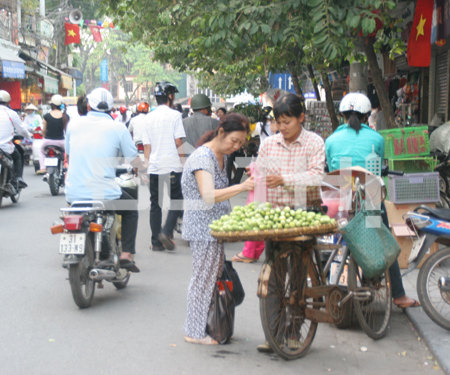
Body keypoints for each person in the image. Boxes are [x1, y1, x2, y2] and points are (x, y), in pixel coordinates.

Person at [325, 92, 420, 309]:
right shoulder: (377, 139)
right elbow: (376, 170)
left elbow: (333, 170)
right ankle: (398, 294)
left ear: (341, 115)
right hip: (369, 200)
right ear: (368, 114)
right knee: (385, 242)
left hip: (339, 203)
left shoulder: (330, 140)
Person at [253, 93, 325, 353]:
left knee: (297, 276)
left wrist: (284, 179)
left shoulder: (314, 142)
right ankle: (273, 333)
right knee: (273, 277)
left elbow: (317, 176)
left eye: (287, 122)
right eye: (278, 122)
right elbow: (259, 176)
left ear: (301, 118)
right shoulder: (269, 144)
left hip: (304, 213)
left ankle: (293, 332)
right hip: (275, 216)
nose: (281, 128)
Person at [182, 113, 254, 345]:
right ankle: (193, 333)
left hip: (214, 230)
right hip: (203, 230)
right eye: (234, 141)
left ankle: (206, 326)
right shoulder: (203, 157)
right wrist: (242, 186)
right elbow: (209, 195)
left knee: (211, 279)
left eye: (241, 143)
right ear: (221, 133)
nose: (236, 146)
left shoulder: (219, 155)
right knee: (202, 280)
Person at [65, 87, 146, 272]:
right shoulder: (118, 127)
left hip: (73, 194)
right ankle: (126, 255)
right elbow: (134, 159)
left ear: (87, 105)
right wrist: (142, 172)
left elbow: (69, 154)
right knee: (131, 208)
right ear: (112, 109)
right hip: (104, 193)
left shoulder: (73, 125)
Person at [143, 81, 185, 251]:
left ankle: (156, 242)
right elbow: (178, 141)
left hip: (155, 167)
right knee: (177, 200)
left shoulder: (148, 117)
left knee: (155, 203)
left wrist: (147, 167)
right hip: (173, 166)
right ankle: (166, 231)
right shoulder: (175, 115)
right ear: (169, 96)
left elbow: (147, 146)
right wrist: (184, 163)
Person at [232, 111, 278, 263]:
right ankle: (255, 252)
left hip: (263, 187)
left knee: (254, 219)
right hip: (273, 189)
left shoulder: (271, 143)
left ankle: (249, 253)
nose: (270, 124)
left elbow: (262, 168)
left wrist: (251, 167)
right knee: (263, 220)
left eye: (272, 121)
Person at [0, 90, 31, 188]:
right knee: (18, 155)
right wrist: (29, 137)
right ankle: (18, 179)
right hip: (5, 147)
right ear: (8, 102)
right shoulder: (11, 113)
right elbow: (21, 130)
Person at [36, 95, 68, 175]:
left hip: (47, 141)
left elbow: (44, 131)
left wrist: (44, 137)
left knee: (41, 151)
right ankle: (66, 166)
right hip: (61, 142)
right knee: (67, 152)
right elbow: (67, 131)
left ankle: (43, 168)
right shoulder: (65, 116)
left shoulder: (46, 116)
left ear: (52, 105)